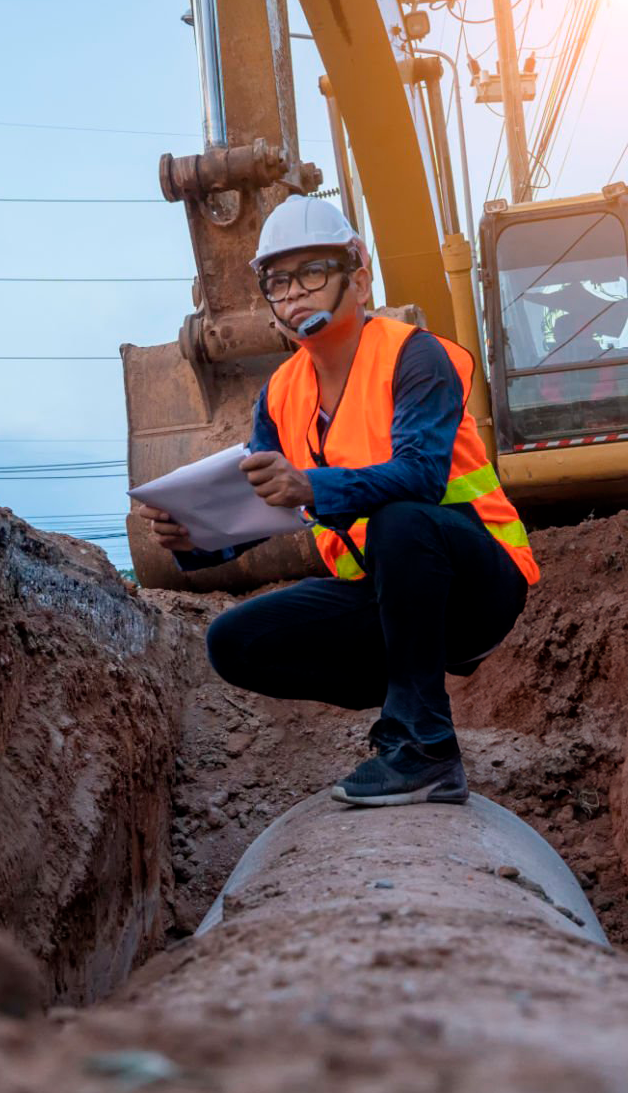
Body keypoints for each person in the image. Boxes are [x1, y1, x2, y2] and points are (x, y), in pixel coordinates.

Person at [131, 196, 539, 806]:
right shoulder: (278, 395)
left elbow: (423, 478)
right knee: (235, 643)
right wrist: (201, 538)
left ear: (360, 274)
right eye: (277, 281)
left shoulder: (415, 356)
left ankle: (424, 748)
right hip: (386, 595)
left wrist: (311, 487)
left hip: (476, 583)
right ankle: (407, 682)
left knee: (401, 521)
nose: (294, 293)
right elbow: (269, 503)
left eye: (313, 273)